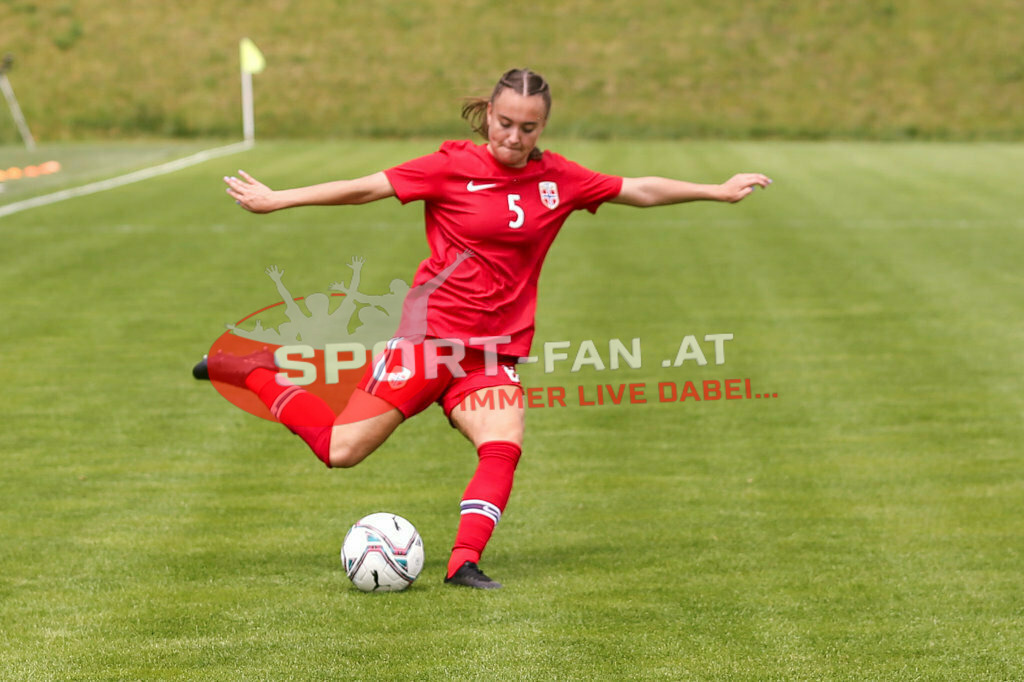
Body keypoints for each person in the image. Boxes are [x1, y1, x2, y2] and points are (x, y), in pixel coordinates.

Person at [198, 68, 772, 589]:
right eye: (505, 123)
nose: (515, 137)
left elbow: (636, 188)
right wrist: (278, 200)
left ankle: (462, 563)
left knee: (503, 443)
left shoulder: (559, 180)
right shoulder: (450, 165)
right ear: (488, 116)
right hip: (428, 343)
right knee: (341, 450)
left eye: (529, 127)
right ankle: (256, 371)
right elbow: (365, 188)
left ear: (543, 126)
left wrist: (715, 191)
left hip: (494, 355)